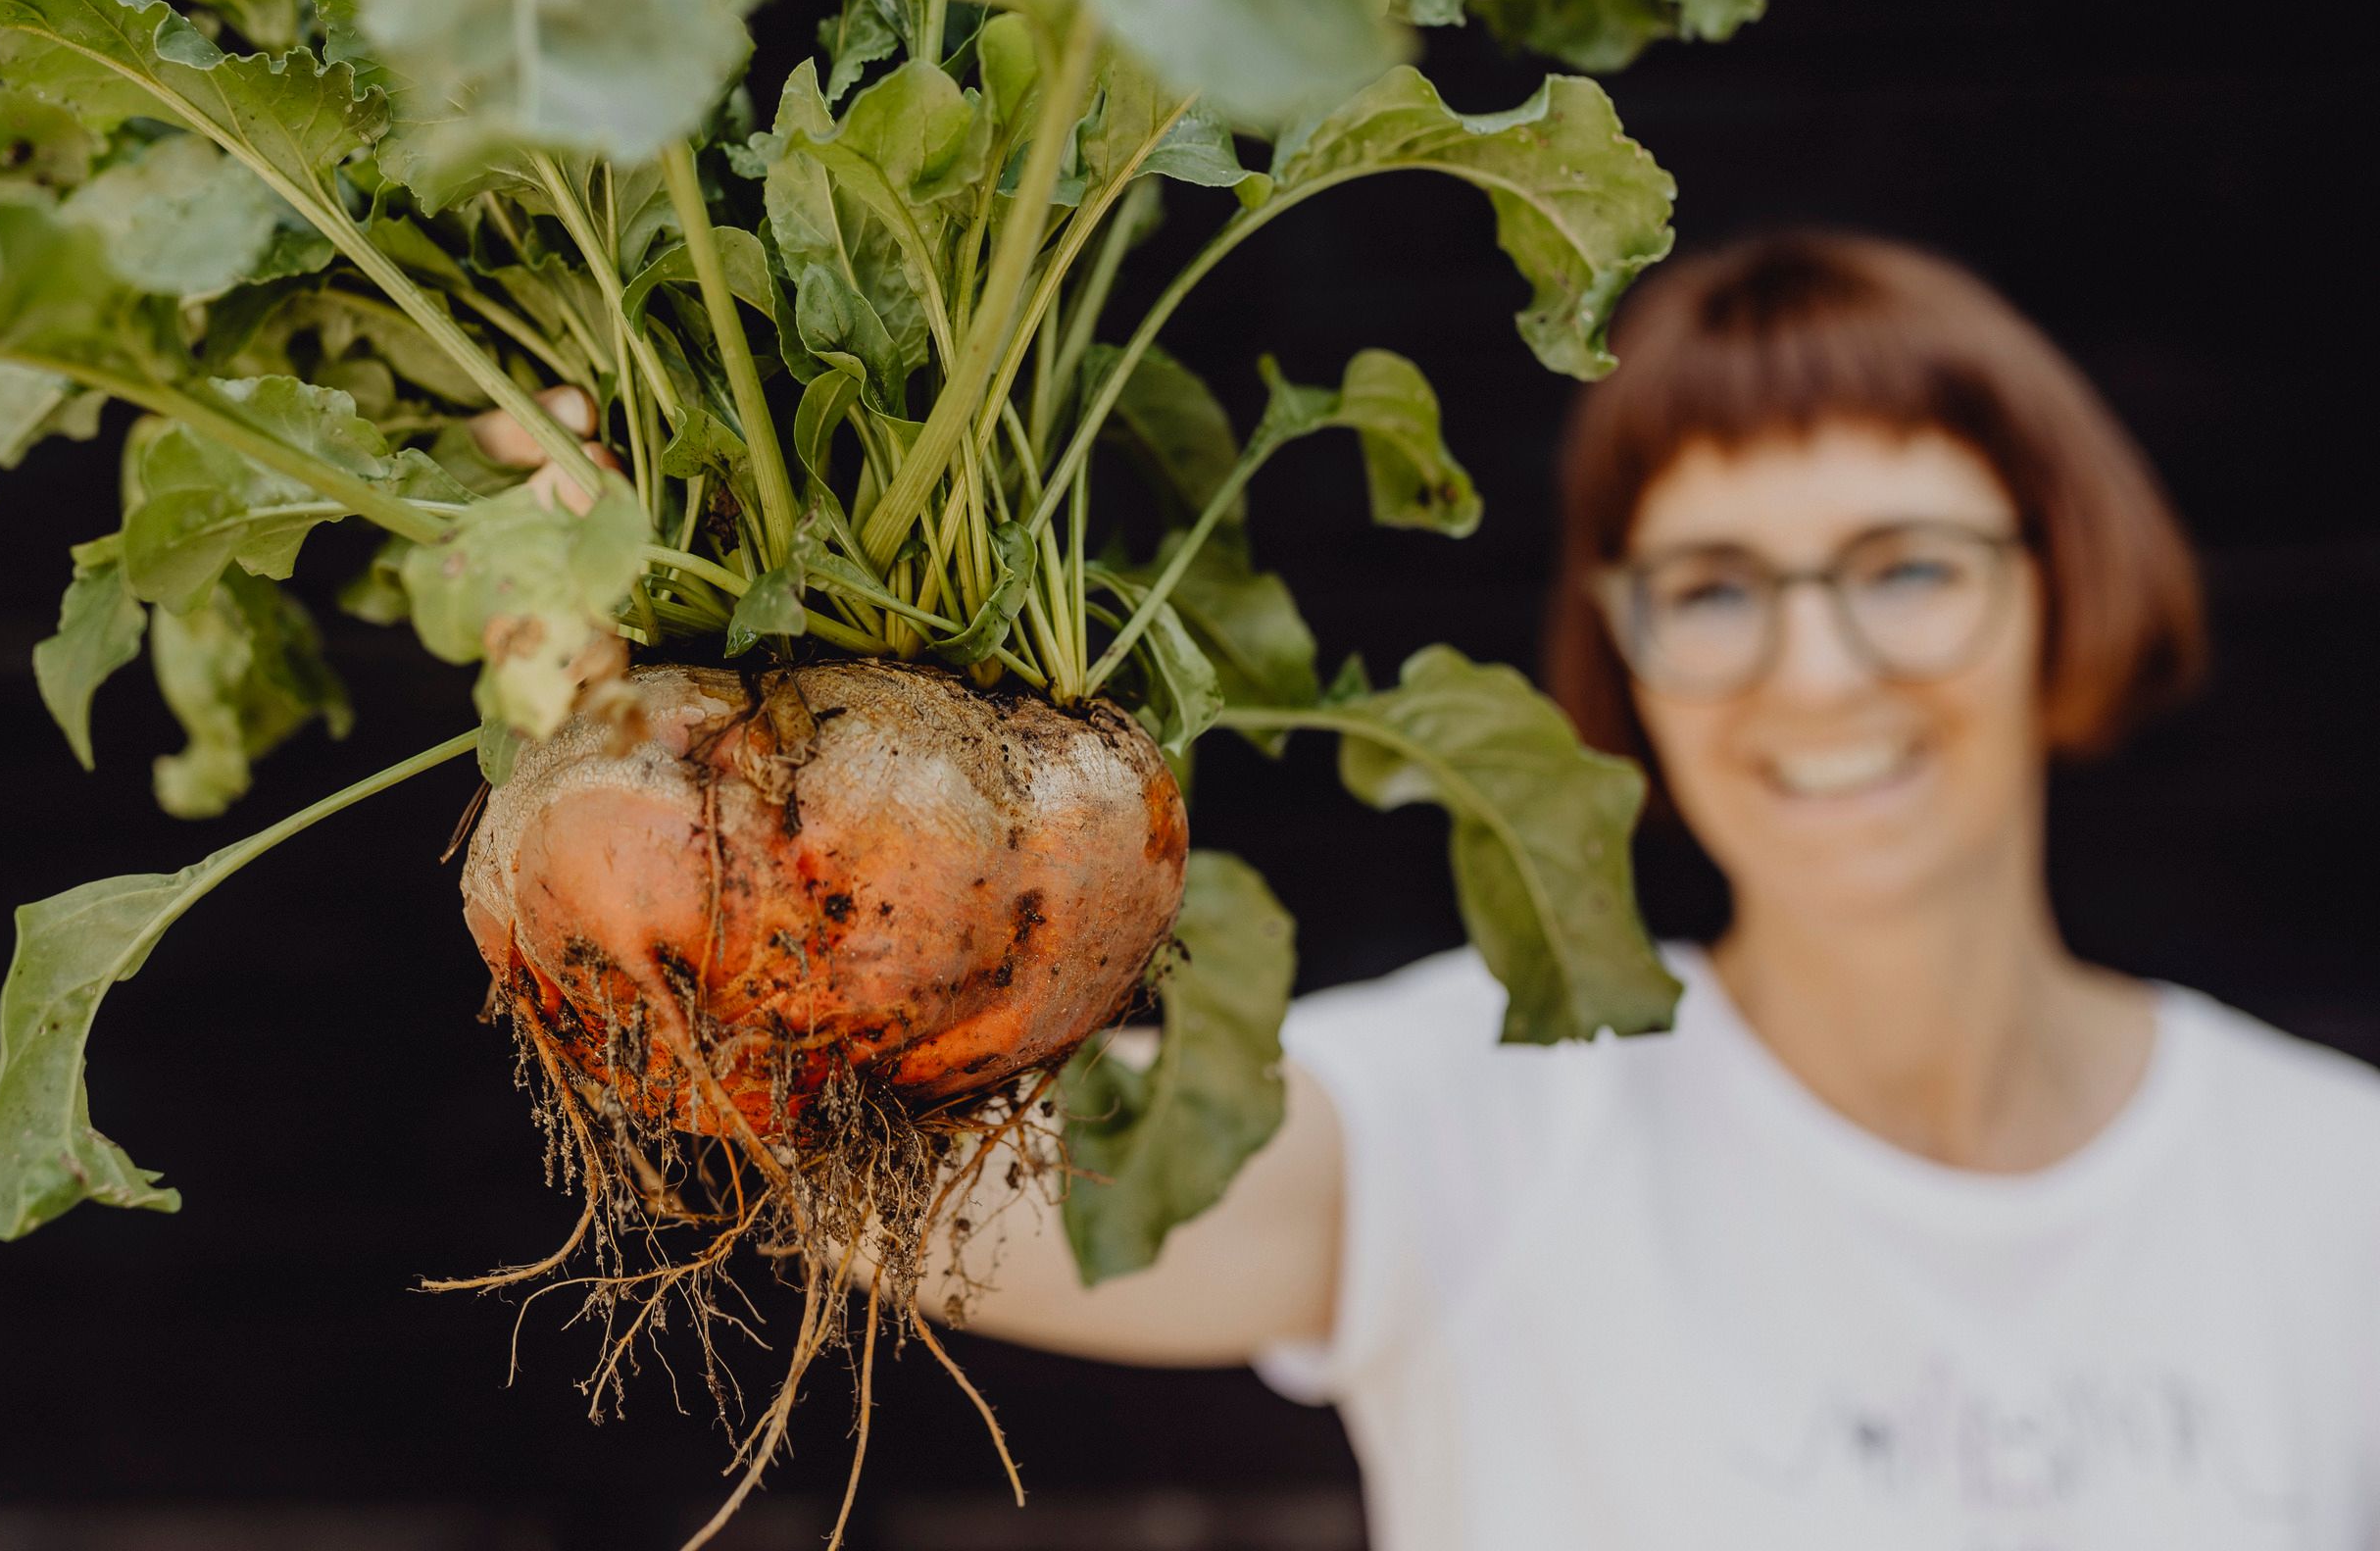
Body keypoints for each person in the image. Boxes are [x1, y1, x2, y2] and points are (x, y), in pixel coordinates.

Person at [930, 230, 2380, 1549]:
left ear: (2061, 582)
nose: (1817, 675)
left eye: (1909, 569)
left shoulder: (2334, 1186)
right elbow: (969, 1186)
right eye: (1714, 592)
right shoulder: (1484, 1114)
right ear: (1622, 654)